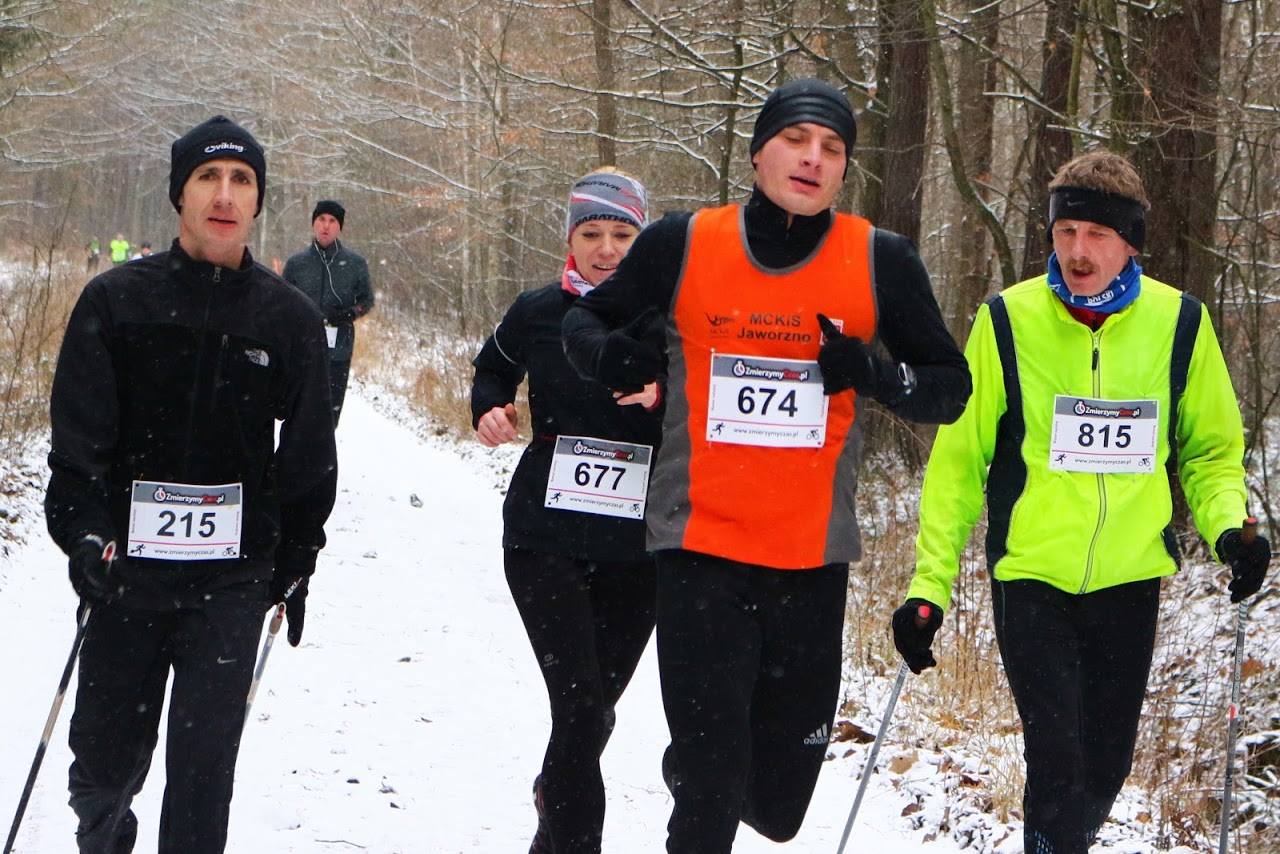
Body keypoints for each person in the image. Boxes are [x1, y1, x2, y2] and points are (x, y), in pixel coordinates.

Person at [562, 79, 971, 852]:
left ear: (845, 168)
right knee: (712, 790)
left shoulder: (879, 259)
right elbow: (584, 319)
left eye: (832, 148)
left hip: (809, 561)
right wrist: (609, 356)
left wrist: (873, 373)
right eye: (795, 140)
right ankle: (702, 774)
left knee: (778, 807)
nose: (813, 159)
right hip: (700, 550)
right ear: (757, 153)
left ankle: (701, 769)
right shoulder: (684, 242)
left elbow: (951, 390)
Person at [892, 150, 1270, 854]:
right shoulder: (1007, 321)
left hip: (1129, 579)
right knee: (1058, 763)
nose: (1077, 251)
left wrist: (1229, 530)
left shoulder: (1180, 324)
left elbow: (1211, 452)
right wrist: (928, 587)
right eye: (1066, 232)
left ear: (1131, 244)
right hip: (1031, 575)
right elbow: (958, 463)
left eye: (1097, 234)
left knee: (1105, 768)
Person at [44, 115, 338, 854]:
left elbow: (308, 453)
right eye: (208, 177)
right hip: (128, 569)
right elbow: (78, 446)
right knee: (103, 767)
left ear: (259, 200)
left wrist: (297, 557)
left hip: (232, 579)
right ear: (180, 193)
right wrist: (84, 533)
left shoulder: (288, 319)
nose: (224, 195)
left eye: (242, 180)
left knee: (204, 775)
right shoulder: (116, 302)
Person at [471, 168, 662, 854]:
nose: (606, 249)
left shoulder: (669, 319)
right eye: (592, 233)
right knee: (581, 709)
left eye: (622, 235)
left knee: (592, 719)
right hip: (543, 537)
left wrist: (666, 395)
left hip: (637, 550)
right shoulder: (538, 311)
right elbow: (492, 368)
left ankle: (551, 807)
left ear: (643, 241)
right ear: (570, 240)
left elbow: (711, 407)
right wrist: (488, 408)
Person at [283, 200, 374, 426]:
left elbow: (367, 300)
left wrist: (349, 314)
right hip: (302, 349)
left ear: (339, 227)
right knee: (296, 413)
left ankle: (323, 449)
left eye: (332, 221)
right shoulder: (296, 264)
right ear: (313, 223)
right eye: (321, 219)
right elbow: (283, 303)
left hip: (337, 352)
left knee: (328, 417)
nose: (326, 226)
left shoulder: (355, 264)